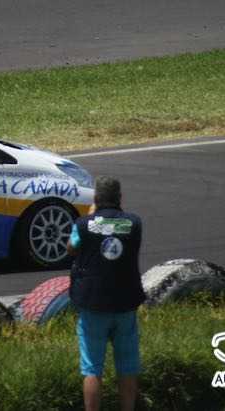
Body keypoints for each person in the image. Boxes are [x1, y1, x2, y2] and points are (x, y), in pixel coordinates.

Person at [68, 176, 145, 411]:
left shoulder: (83, 224)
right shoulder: (134, 223)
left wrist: (91, 216)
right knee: (127, 366)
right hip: (125, 302)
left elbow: (71, 248)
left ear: (95, 198)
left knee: (92, 368)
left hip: (93, 303)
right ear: (120, 198)